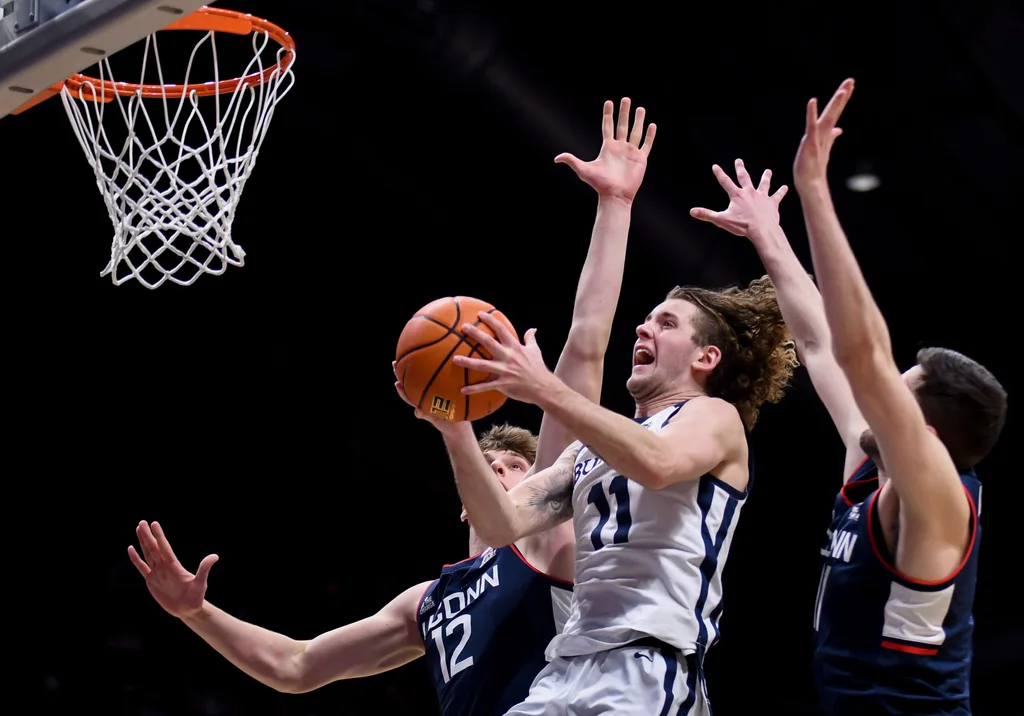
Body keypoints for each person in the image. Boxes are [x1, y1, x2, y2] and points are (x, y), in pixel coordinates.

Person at [129, 96, 657, 716]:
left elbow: (586, 345)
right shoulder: (426, 603)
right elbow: (296, 666)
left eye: (516, 469)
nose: (502, 472)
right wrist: (196, 613)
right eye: (492, 466)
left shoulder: (545, 540)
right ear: (461, 503)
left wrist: (614, 205)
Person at [690, 78, 1007, 716]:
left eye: (897, 395)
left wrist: (815, 195)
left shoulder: (940, 502)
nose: (875, 402)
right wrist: (768, 236)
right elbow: (823, 347)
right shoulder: (871, 469)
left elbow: (863, 357)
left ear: (929, 440)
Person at [419, 245, 798, 712]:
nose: (644, 327)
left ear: (706, 358)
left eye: (667, 323)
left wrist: (546, 389)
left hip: (646, 664)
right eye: (648, 319)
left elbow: (658, 463)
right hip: (565, 668)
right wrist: (455, 428)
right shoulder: (587, 451)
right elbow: (500, 526)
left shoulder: (713, 416)